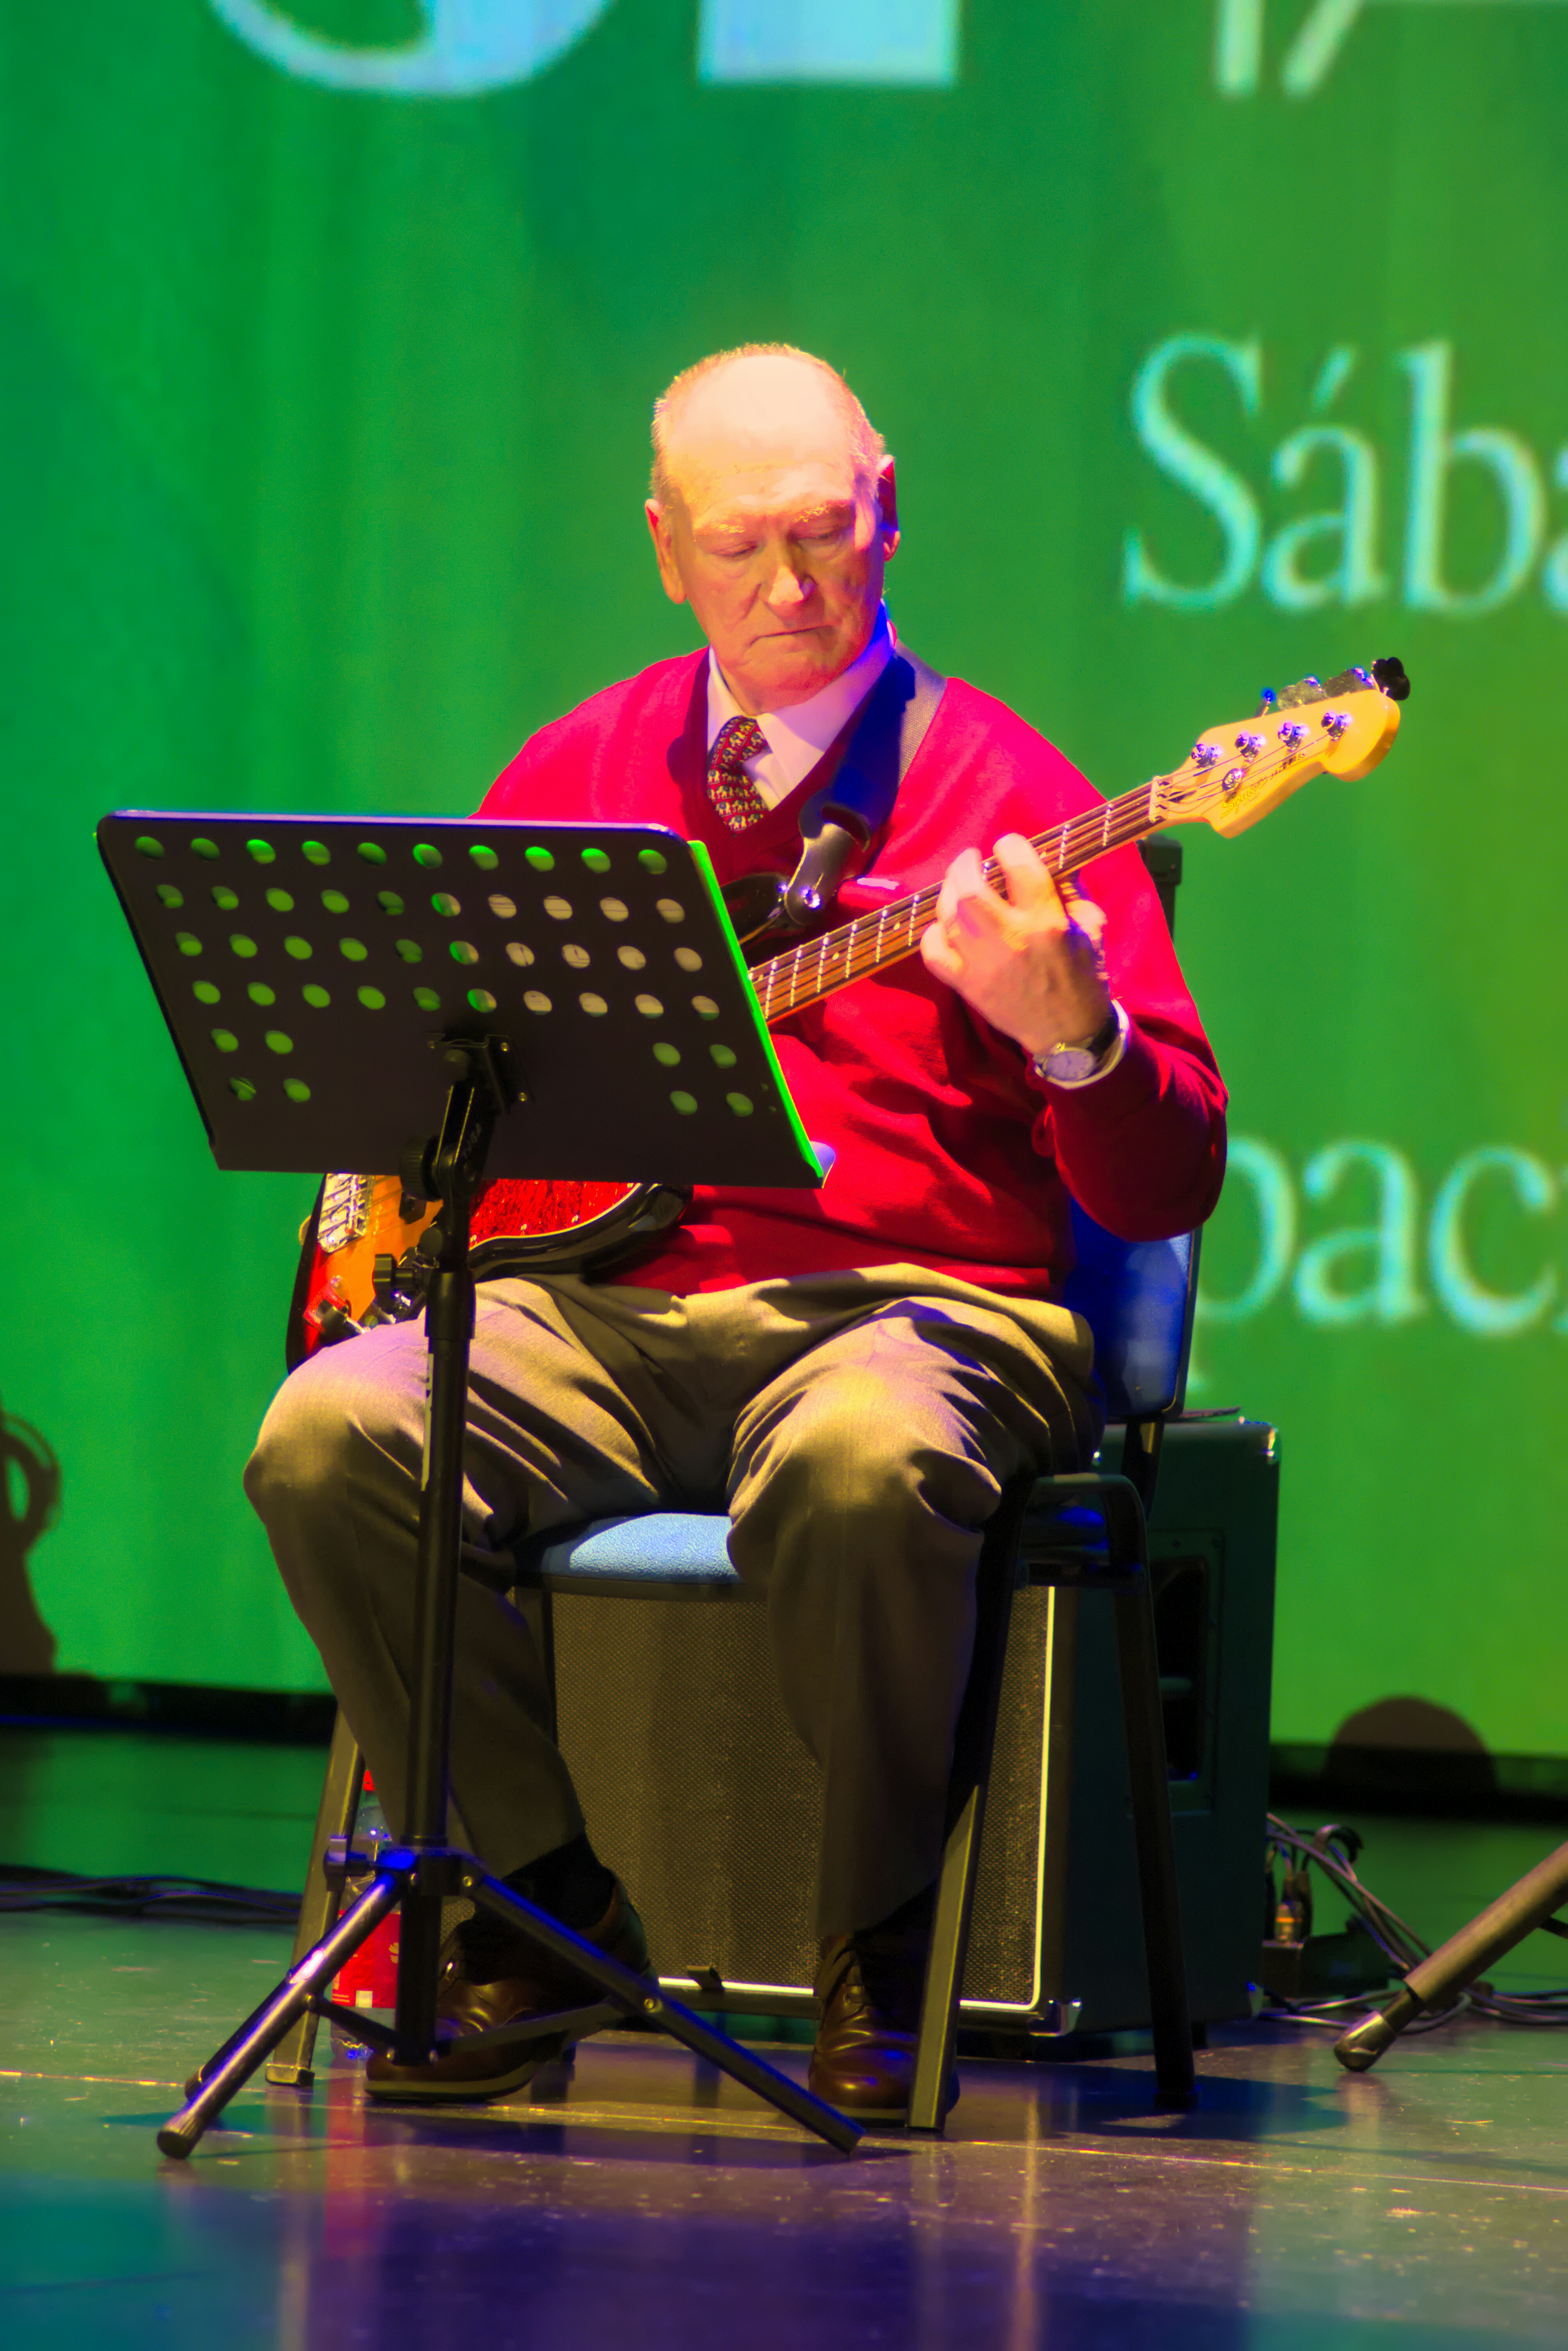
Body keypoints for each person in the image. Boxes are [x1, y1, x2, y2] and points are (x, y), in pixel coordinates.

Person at [247, 344, 1226, 2122]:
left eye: (822, 533)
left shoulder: (1010, 787)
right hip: (600, 1317)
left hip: (914, 1313)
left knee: (862, 1464)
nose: (787, 584)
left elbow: (1167, 1186)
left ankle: (879, 1936)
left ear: (888, 510)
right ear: (662, 550)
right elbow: (433, 1081)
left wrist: (1072, 1033)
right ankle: (541, 1907)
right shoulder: (580, 767)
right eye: (736, 546)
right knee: (333, 1433)